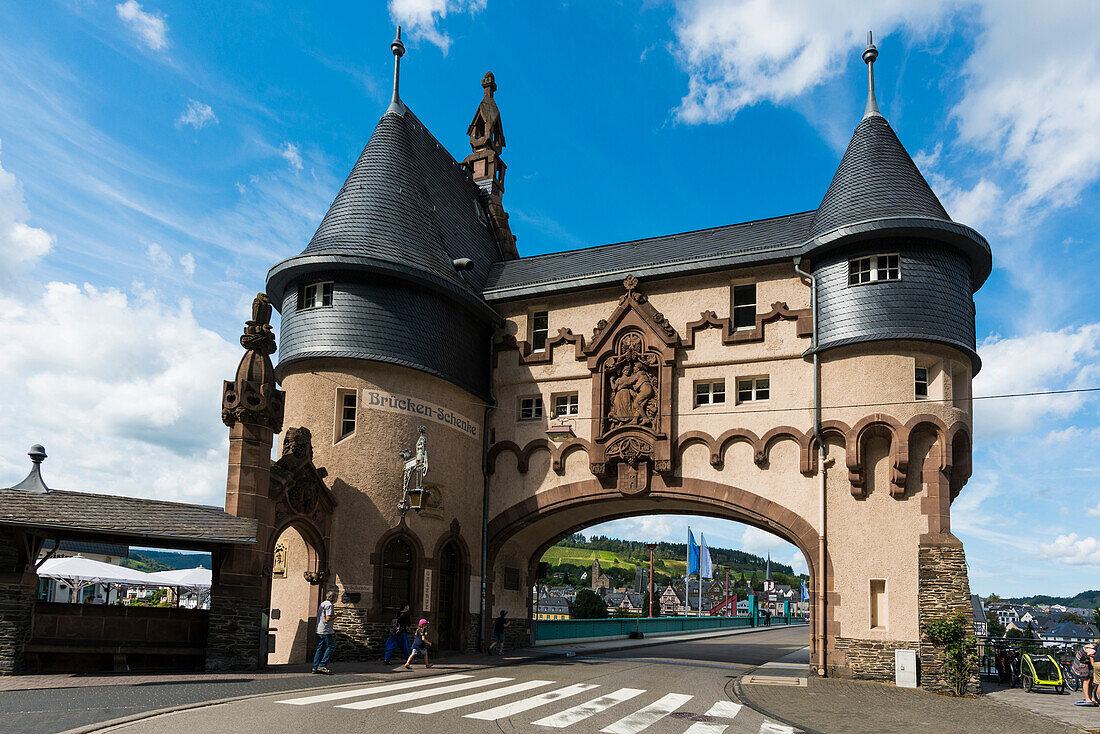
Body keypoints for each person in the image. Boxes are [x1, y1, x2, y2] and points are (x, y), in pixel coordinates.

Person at [312, 590, 338, 675]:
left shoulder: (323, 603)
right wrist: (337, 615)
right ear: (333, 598)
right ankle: (322, 665)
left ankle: (315, 667)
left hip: (319, 629)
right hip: (326, 630)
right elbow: (328, 618)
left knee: (320, 648)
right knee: (331, 646)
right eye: (336, 597)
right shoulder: (330, 605)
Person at [1075, 639, 1100, 707]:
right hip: (1082, 662)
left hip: (1089, 662)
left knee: (1092, 680)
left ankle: (1091, 697)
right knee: (1086, 680)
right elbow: (1092, 662)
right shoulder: (1091, 649)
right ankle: (1087, 698)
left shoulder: (1096, 647)